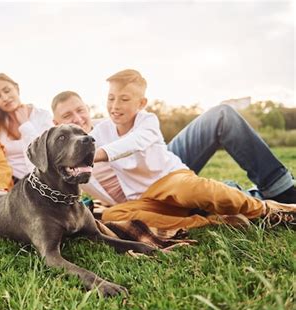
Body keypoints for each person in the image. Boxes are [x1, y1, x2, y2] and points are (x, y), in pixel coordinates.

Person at [51, 70, 296, 230]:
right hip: (143, 198)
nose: (77, 118)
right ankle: (212, 220)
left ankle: (277, 199)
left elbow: (133, 143)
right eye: (67, 116)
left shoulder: (129, 126)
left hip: (165, 174)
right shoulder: (76, 151)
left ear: (87, 107)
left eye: (80, 110)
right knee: (115, 215)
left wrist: (93, 154)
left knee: (192, 185)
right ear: (56, 125)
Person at [0, 73, 54, 180]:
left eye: (7, 90)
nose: (4, 98)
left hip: (44, 180)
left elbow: (47, 152)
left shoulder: (42, 116)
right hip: (11, 183)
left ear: (16, 88)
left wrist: (25, 125)